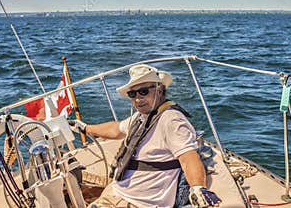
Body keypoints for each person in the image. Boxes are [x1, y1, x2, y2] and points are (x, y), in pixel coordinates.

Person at [69, 64, 220, 208]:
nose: (137, 99)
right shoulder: (142, 117)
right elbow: (116, 129)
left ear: (159, 90)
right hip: (118, 191)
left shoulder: (171, 120)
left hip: (139, 202)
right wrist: (85, 128)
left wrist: (198, 188)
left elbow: (189, 158)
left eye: (143, 92)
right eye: (132, 94)